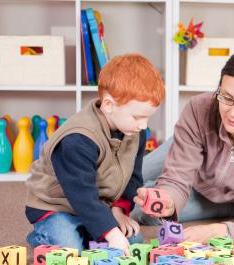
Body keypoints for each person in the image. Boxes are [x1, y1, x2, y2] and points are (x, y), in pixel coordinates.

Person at [130, 46, 234, 244]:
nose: (233, 113)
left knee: (142, 212)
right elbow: (176, 178)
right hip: (190, 156)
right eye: (226, 97)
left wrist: (220, 230)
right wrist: (168, 200)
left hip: (230, 200)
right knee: (125, 178)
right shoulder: (199, 108)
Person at [24, 54, 165, 254]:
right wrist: (110, 232)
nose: (143, 125)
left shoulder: (135, 131)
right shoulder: (77, 140)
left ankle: (92, 228)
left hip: (98, 203)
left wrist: (119, 211)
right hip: (57, 207)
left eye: (148, 118)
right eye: (137, 117)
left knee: (135, 241)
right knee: (71, 248)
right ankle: (40, 235)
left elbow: (133, 177)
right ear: (108, 105)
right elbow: (81, 194)